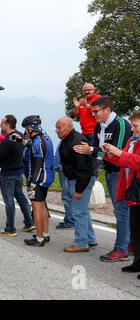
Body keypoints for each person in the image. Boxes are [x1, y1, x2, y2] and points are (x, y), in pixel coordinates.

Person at [74, 96, 133, 262]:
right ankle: (129, 244)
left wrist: (91, 150)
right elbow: (101, 151)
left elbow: (117, 153)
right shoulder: (99, 126)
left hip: (121, 172)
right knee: (122, 210)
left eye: (96, 111)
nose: (93, 114)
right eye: (92, 111)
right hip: (109, 170)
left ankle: (121, 249)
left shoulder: (120, 124)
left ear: (107, 109)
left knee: (122, 211)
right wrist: (95, 153)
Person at [101, 109, 140, 277]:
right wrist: (109, 154)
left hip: (136, 187)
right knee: (136, 229)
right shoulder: (132, 140)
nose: (132, 129)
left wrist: (120, 153)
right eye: (132, 125)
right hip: (133, 189)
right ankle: (137, 262)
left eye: (135, 125)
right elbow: (123, 160)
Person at [56, 117, 97, 252]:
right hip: (75, 179)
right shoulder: (67, 140)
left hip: (81, 180)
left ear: (68, 127)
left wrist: (79, 190)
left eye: (59, 128)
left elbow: (83, 167)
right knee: (82, 210)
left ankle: (81, 243)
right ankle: (90, 238)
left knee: (78, 211)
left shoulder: (77, 140)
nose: (57, 131)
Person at [0, 115, 35, 236]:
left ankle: (10, 228)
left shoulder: (7, 141)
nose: (0, 125)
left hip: (7, 173)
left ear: (7, 124)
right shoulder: (19, 135)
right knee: (21, 197)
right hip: (18, 172)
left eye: (2, 123)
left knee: (9, 200)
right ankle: (29, 222)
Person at [21, 115, 55, 247]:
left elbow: (38, 164)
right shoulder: (45, 137)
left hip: (38, 178)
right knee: (43, 206)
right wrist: (22, 142)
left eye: (25, 129)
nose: (25, 132)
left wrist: (32, 184)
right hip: (47, 178)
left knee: (37, 208)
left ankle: (39, 238)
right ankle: (45, 234)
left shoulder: (37, 142)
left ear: (30, 128)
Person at [54, 141, 74, 229]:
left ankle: (70, 221)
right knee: (68, 196)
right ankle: (68, 219)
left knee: (67, 197)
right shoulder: (66, 141)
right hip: (64, 170)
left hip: (64, 171)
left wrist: (58, 167)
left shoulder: (67, 142)